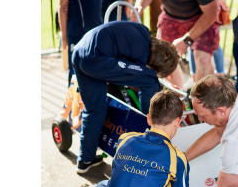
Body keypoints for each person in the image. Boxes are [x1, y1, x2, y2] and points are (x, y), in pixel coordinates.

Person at [71, 21, 180, 174]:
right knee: (150, 80)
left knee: (95, 109)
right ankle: (151, 121)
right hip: (98, 59)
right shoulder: (142, 53)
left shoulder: (141, 31)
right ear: (157, 65)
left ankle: (85, 160)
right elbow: (143, 74)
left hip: (80, 53)